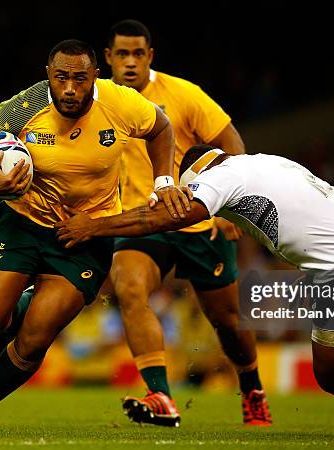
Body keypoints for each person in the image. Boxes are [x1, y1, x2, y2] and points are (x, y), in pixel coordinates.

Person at [55, 145, 334, 440]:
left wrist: (94, 226)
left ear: (197, 180)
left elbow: (169, 217)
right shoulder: (261, 162)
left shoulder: (219, 180)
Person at [0, 39, 189, 432]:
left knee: (35, 337)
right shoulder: (24, 106)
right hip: (22, 221)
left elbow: (161, 127)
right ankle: (20, 304)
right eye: (62, 78)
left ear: (94, 77)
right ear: (49, 76)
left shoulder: (120, 102)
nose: (71, 88)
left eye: (80, 78)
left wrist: (164, 180)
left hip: (85, 235)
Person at [102, 20, 270, 427]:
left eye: (137, 54)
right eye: (121, 54)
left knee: (228, 323)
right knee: (129, 288)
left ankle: (251, 387)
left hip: (196, 220)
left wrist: (232, 205)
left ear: (150, 57)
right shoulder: (97, 99)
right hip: (143, 222)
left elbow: (231, 144)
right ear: (108, 58)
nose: (129, 62)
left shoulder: (183, 93)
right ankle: (161, 395)